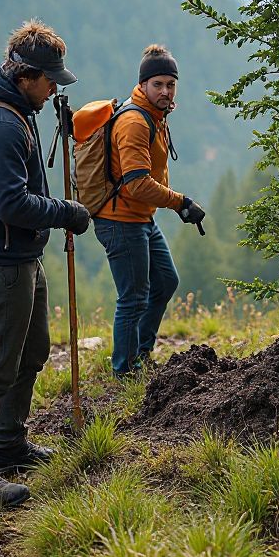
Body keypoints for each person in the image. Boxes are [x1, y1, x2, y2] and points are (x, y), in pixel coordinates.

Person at [0, 21, 92, 508]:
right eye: (50, 78)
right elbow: (11, 204)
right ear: (25, 73)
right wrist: (66, 214)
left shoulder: (16, 107)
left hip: (18, 256)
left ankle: (9, 445)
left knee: (31, 354)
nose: (55, 87)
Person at [93, 44, 205, 376]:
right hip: (119, 219)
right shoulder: (134, 122)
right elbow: (137, 183)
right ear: (143, 84)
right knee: (133, 297)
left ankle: (139, 354)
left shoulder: (157, 115)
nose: (165, 91)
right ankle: (125, 370)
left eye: (171, 84)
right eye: (158, 84)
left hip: (141, 217)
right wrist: (181, 202)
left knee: (166, 281)